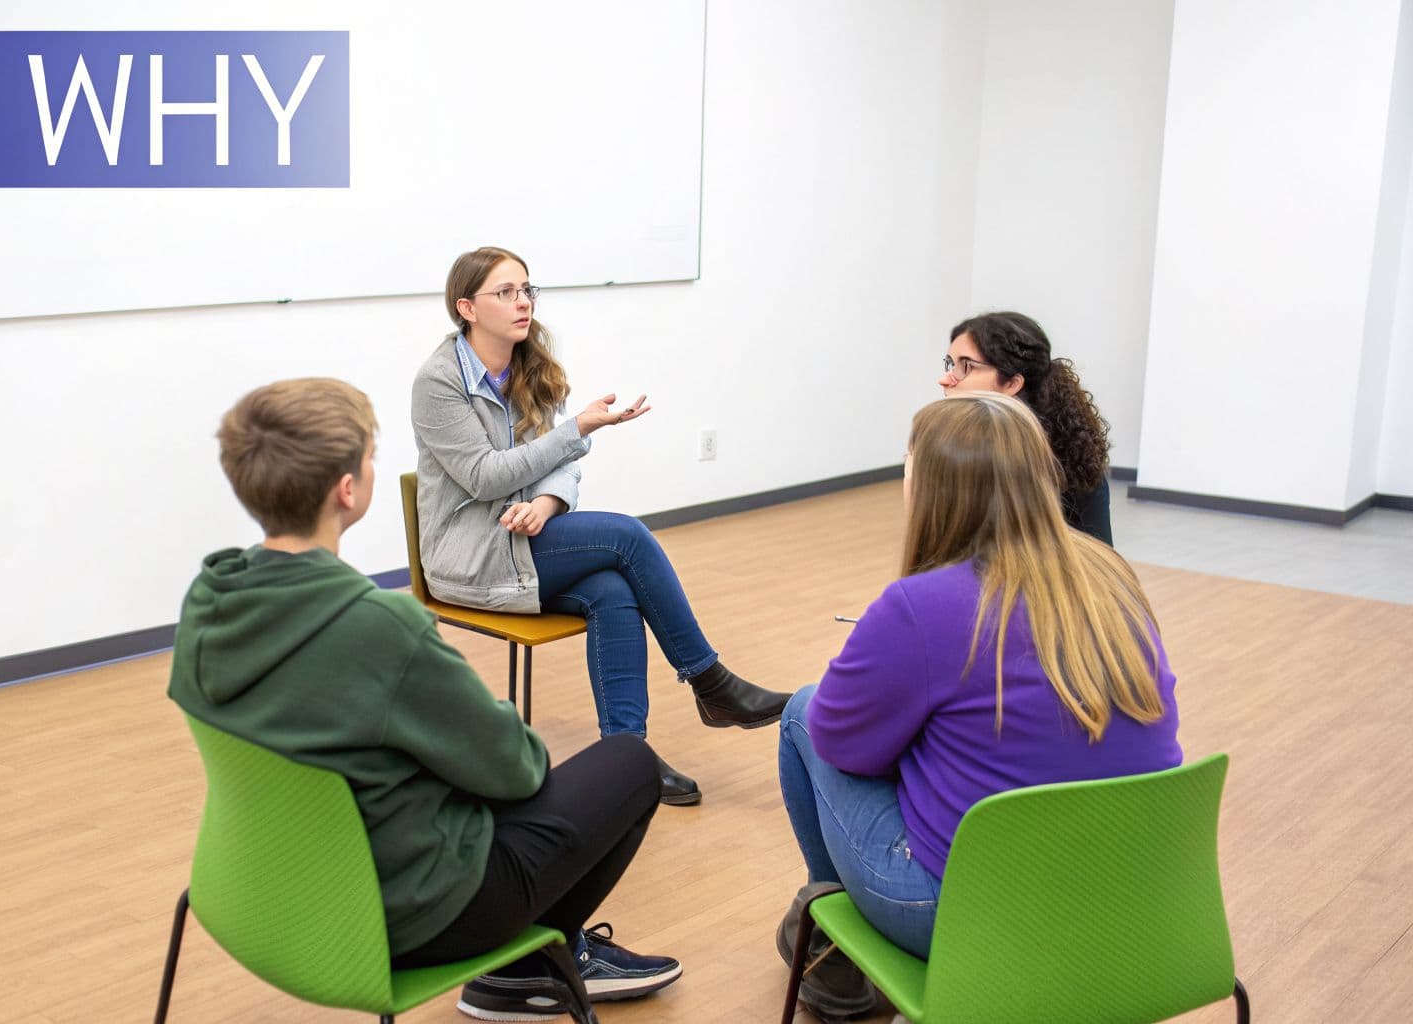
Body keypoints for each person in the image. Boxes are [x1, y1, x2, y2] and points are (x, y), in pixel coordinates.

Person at [169, 378, 682, 1021]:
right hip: (413, 915)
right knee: (629, 764)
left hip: (266, 892)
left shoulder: (210, 601)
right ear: (348, 489)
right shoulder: (378, 626)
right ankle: (525, 971)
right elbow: (517, 768)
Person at [777, 392, 1181, 988]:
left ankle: (837, 958)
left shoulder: (920, 606)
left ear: (930, 485)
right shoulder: (1110, 575)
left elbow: (842, 744)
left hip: (976, 919)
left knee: (804, 713)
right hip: (1131, 900)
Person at [410, 245, 790, 807]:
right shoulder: (438, 382)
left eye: (527, 290)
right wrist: (580, 428)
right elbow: (485, 477)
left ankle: (627, 758)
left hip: (527, 535)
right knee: (625, 535)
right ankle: (711, 682)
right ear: (467, 307)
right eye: (506, 293)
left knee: (612, 591)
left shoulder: (528, 361)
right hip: (471, 555)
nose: (523, 303)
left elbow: (558, 465)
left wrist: (547, 505)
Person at [938, 311, 1115, 544]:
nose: (945, 379)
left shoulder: (1064, 464)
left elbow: (1099, 566)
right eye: (950, 364)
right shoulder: (953, 448)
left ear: (1012, 383)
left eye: (966, 366)